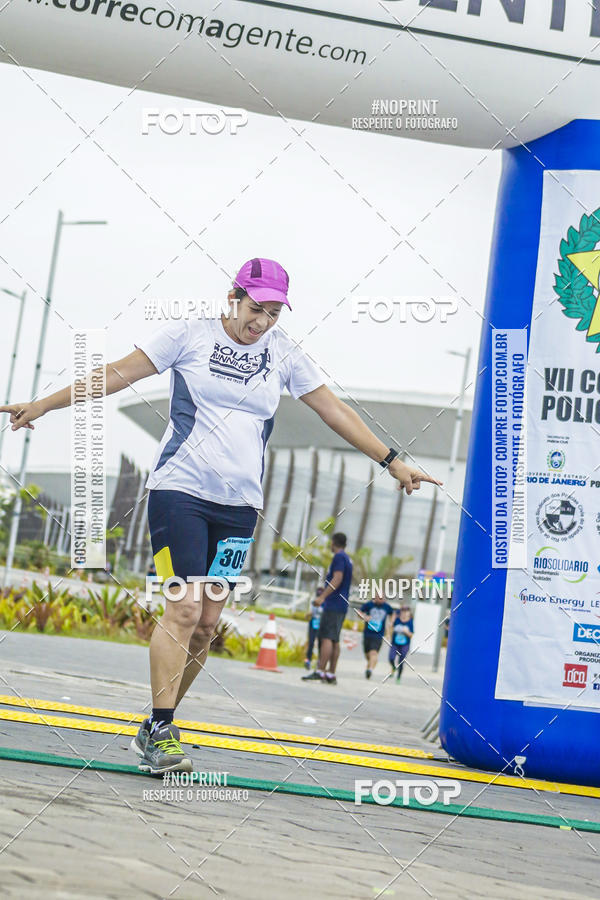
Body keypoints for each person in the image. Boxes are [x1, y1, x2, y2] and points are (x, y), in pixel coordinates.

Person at [0, 256, 442, 773]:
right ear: (234, 297)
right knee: (184, 609)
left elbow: (334, 410)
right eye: (257, 308)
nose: (263, 322)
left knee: (208, 624)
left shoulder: (283, 354)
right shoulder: (189, 335)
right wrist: (46, 404)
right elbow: (117, 374)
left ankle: (155, 726)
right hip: (179, 492)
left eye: (275, 313)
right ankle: (164, 731)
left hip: (240, 507)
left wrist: (391, 461)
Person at [302, 533, 353, 685]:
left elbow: (337, 578)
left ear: (334, 542)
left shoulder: (338, 557)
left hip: (334, 603)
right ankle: (330, 674)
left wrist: (322, 597)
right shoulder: (348, 559)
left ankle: (319, 671)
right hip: (342, 604)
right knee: (335, 639)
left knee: (326, 637)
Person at [359, 590, 394, 679]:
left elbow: (392, 614)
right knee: (368, 655)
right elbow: (358, 612)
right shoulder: (369, 605)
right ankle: (371, 664)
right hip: (367, 634)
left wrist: (391, 622)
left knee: (373, 653)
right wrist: (364, 617)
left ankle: (370, 669)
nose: (382, 600)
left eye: (383, 598)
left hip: (378, 635)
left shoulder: (386, 607)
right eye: (380, 598)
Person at [389, 605, 414, 682]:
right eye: (403, 611)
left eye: (406, 611)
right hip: (395, 643)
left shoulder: (410, 622)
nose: (404, 613)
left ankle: (398, 677)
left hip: (405, 644)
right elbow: (390, 627)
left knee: (401, 661)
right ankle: (393, 667)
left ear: (408, 613)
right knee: (391, 658)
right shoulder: (396, 620)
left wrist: (406, 632)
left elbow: (411, 635)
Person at [304, 586, 323, 669]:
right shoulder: (313, 602)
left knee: (320, 644)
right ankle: (308, 659)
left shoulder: (325, 603)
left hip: (321, 625)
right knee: (311, 642)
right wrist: (308, 615)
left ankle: (320, 662)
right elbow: (312, 611)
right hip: (313, 623)